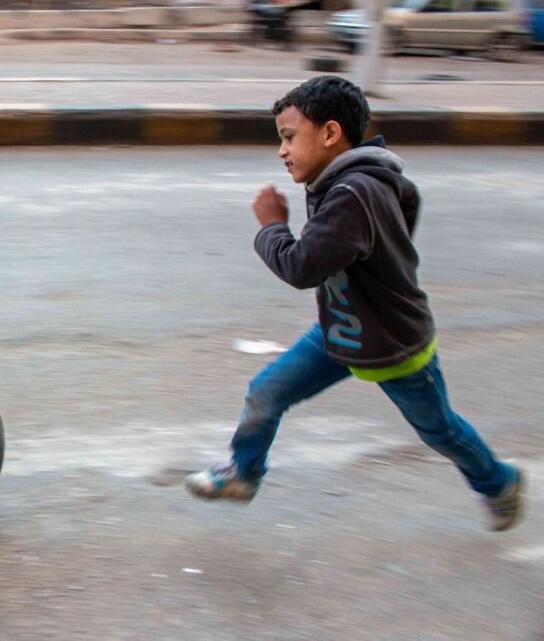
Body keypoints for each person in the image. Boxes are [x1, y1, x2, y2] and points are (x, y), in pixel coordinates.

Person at [184, 75, 525, 532]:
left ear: (329, 133)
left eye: (289, 138)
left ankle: (498, 483)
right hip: (342, 331)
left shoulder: (352, 194)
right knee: (266, 392)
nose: (282, 151)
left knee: (440, 430)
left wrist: (271, 225)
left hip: (393, 344)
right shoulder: (349, 182)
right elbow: (408, 204)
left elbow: (300, 267)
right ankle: (244, 474)